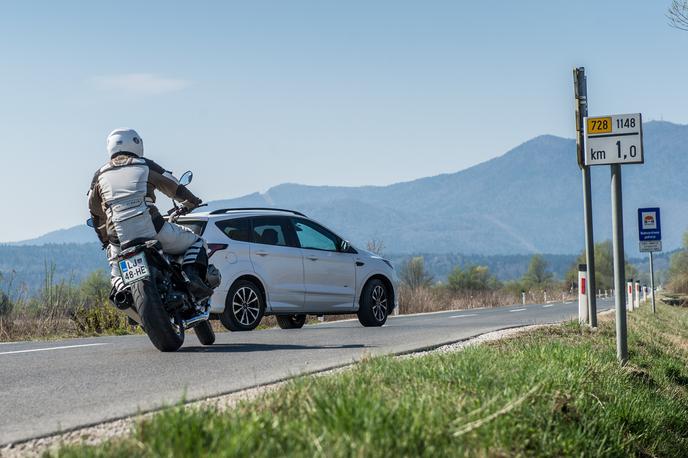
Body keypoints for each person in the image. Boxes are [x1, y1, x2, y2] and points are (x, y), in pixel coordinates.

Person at [87, 128, 214, 298]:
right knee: (197, 242)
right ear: (137, 144)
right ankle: (191, 277)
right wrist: (192, 201)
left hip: (118, 237)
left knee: (116, 273)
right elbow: (173, 186)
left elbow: (95, 214)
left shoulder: (99, 176)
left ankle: (124, 295)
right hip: (152, 229)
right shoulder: (144, 164)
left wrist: (105, 241)